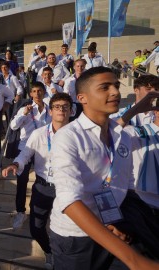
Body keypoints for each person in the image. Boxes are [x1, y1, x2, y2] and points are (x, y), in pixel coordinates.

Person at [49, 67, 159, 269]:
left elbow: (118, 185)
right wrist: (135, 261)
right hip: (76, 238)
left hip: (112, 226)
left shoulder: (122, 135)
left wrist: (113, 220)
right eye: (105, 87)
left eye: (116, 85)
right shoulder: (68, 137)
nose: (115, 92)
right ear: (82, 98)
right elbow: (69, 201)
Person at [2, 92, 72, 270]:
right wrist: (16, 164)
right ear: (51, 111)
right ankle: (48, 251)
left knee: (65, 231)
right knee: (36, 228)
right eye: (57, 107)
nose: (61, 110)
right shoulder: (39, 134)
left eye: (65, 107)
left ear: (71, 111)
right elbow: (26, 153)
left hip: (67, 188)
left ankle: (62, 259)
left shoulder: (77, 135)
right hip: (43, 186)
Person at [9, 81, 51, 230]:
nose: (37, 94)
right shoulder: (25, 109)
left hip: (44, 149)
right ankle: (20, 212)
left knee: (45, 180)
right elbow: (13, 126)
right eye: (34, 91)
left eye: (40, 91)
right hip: (25, 147)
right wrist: (23, 114)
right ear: (31, 94)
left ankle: (44, 210)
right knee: (21, 181)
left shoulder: (50, 110)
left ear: (44, 92)